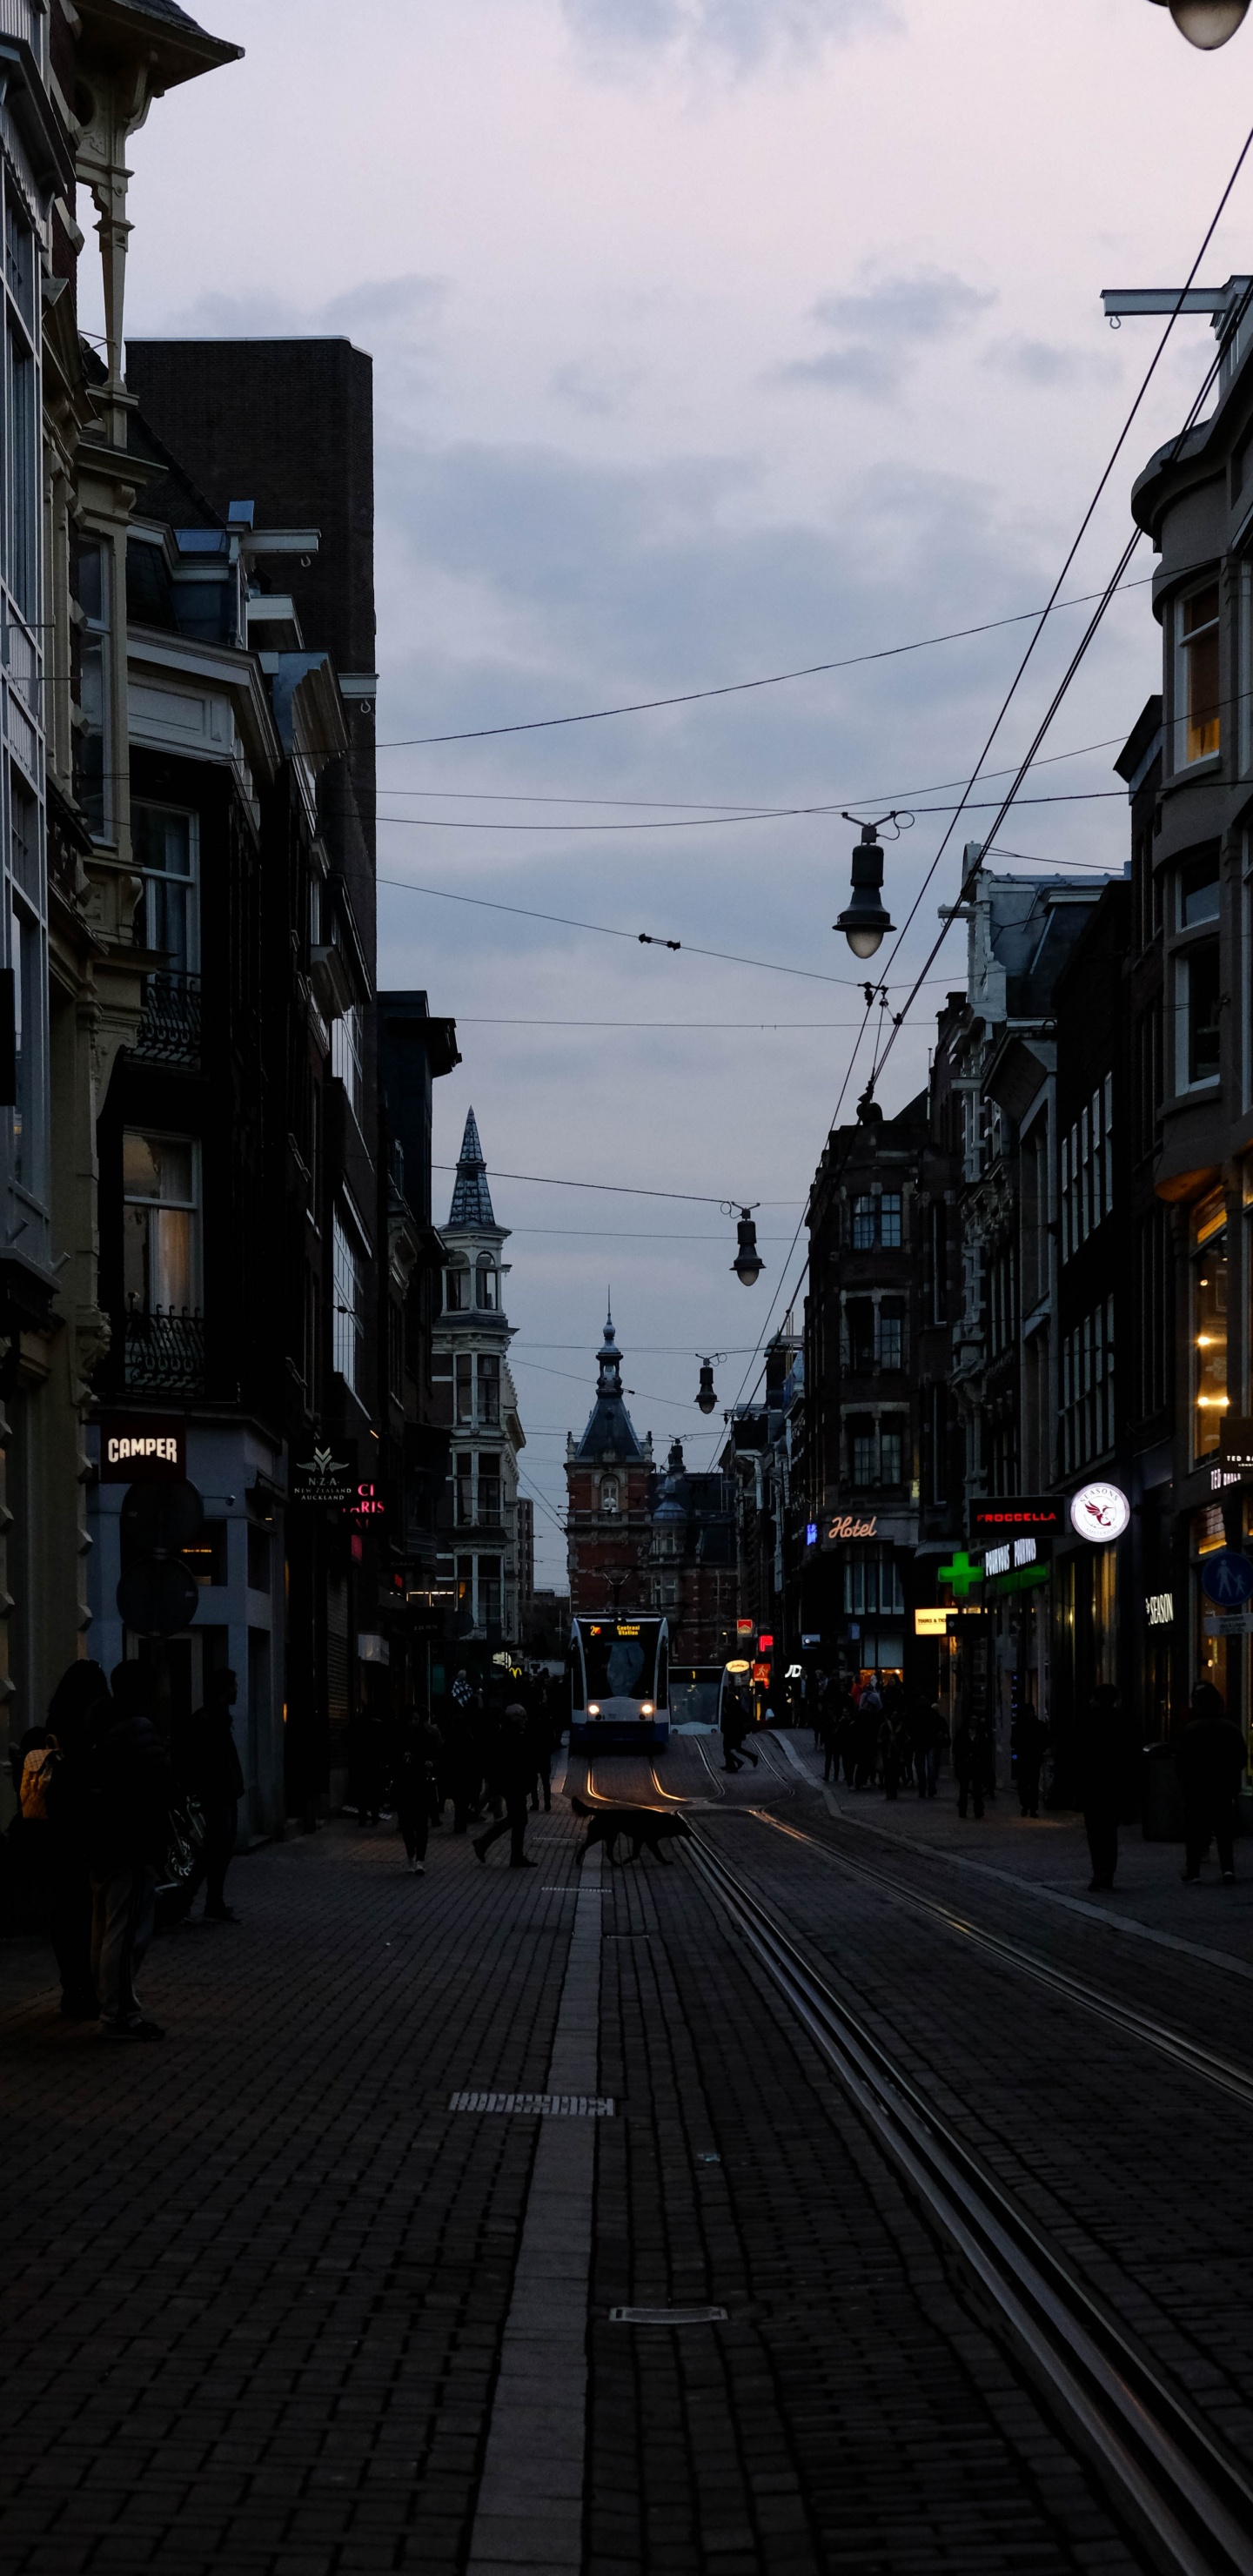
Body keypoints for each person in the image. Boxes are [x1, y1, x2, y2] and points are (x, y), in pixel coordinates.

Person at [86, 1665, 172, 2039]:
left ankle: (112, 2004)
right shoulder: (140, 1731)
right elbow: (162, 1786)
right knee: (126, 1931)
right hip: (132, 1842)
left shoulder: (103, 1726)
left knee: (106, 1928)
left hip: (105, 1841)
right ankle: (119, 2014)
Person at [42, 1660, 109, 2016]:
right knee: (92, 1913)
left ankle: (72, 1988)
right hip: (89, 1833)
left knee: (65, 1912)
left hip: (57, 1834)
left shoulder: (52, 1730)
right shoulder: (95, 1734)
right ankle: (90, 1988)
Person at [178, 1668, 245, 1923]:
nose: (237, 1691)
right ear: (225, 1689)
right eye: (234, 1686)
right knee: (215, 1850)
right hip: (217, 1795)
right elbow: (205, 1761)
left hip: (223, 1794)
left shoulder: (214, 1719)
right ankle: (191, 1899)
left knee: (218, 1850)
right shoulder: (209, 1721)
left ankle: (203, 1900)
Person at [1176, 1680, 1244, 1884]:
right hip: (1223, 1787)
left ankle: (1194, 1871)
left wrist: (1186, 1782)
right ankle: (1228, 1869)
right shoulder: (1230, 1728)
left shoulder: (1191, 1730)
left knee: (1195, 1831)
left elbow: (1182, 1761)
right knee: (1224, 1831)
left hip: (1197, 1788)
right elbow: (1241, 1757)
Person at [472, 1701, 535, 1868]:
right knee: (518, 1818)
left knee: (517, 1819)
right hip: (513, 1783)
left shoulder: (508, 1732)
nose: (525, 1719)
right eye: (522, 1717)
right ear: (514, 1718)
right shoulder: (510, 1734)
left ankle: (493, 1846)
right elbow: (512, 1761)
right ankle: (489, 1844)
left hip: (513, 1783)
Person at [1079, 1683, 1122, 1892]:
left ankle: (1100, 1872)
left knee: (1095, 1833)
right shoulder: (1120, 1720)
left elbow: (1081, 1754)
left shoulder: (1089, 1721)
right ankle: (1108, 1873)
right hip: (1113, 1787)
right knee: (1110, 1832)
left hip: (1094, 1787)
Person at [395, 1711, 443, 1874]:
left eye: (416, 1719)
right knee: (407, 1825)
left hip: (421, 1785)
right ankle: (411, 1855)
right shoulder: (400, 1738)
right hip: (405, 1786)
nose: (414, 1722)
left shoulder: (427, 1737)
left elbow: (438, 1756)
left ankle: (419, 1860)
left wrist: (431, 1763)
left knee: (421, 1825)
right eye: (411, 1719)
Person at [1014, 1703, 1049, 1819]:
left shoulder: (1019, 1726)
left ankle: (1025, 1806)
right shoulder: (1040, 1726)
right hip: (1035, 1759)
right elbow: (1046, 1741)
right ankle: (1033, 1808)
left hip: (1023, 1758)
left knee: (1023, 1784)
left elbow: (1013, 1742)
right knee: (1033, 1784)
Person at [953, 1711, 987, 1821]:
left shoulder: (981, 1734)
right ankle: (963, 1810)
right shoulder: (962, 1733)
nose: (974, 1722)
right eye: (972, 1720)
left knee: (977, 1789)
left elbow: (985, 1749)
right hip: (965, 1764)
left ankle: (978, 1810)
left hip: (977, 1764)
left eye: (976, 1720)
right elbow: (956, 1748)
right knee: (964, 1789)